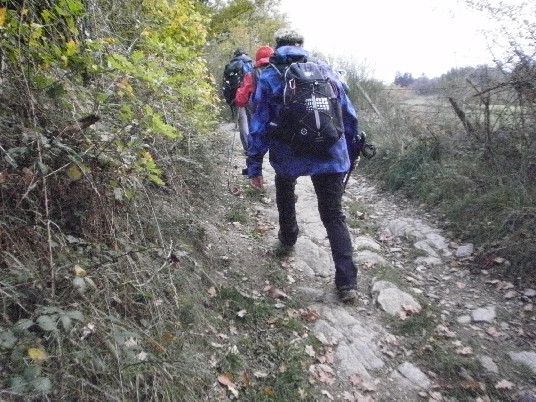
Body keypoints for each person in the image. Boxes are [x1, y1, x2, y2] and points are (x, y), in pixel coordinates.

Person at [245, 28, 361, 303]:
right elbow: (348, 113)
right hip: (330, 151)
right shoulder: (326, 71)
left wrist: (254, 165)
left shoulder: (271, 75)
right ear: (301, 45)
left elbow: (259, 123)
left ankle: (288, 238)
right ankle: (347, 283)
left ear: (277, 46)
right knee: (333, 215)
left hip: (289, 151)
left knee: (285, 188)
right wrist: (350, 152)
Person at [222, 49, 253, 151]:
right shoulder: (250, 64)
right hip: (250, 96)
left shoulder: (230, 66)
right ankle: (253, 146)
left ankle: (247, 147)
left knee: (242, 121)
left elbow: (225, 85)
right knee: (252, 120)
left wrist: (229, 99)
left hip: (236, 97)